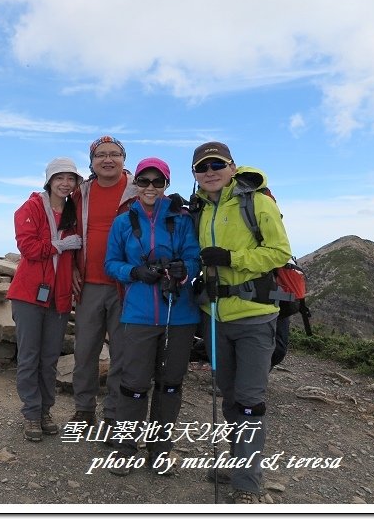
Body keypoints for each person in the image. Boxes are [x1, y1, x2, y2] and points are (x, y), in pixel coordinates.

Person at [190, 141, 292, 504]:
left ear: (232, 167)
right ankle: (238, 464)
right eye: (202, 167)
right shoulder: (199, 207)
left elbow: (279, 252)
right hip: (215, 317)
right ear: (196, 176)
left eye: (217, 164)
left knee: (250, 400)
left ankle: (247, 483)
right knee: (231, 397)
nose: (210, 171)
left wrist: (231, 258)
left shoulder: (256, 202)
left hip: (254, 315)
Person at [103, 157, 201, 475]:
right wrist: (134, 271)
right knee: (133, 384)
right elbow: (110, 263)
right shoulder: (123, 221)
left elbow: (193, 257)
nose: (149, 187)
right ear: (137, 184)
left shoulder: (181, 219)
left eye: (157, 182)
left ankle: (160, 449)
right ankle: (126, 448)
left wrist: (183, 270)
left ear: (166, 185)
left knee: (170, 384)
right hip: (139, 314)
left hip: (179, 313)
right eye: (144, 181)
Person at [7, 157, 84, 442]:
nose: (65, 183)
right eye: (59, 178)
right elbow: (27, 247)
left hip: (59, 295)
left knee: (50, 358)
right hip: (29, 294)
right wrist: (59, 245)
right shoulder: (31, 207)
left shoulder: (74, 211)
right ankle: (31, 413)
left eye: (71, 179)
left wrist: (73, 265)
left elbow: (77, 255)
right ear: (49, 180)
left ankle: (45, 412)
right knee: (29, 356)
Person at [67, 135, 138, 433]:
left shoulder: (139, 190)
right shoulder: (80, 193)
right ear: (92, 162)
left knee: (122, 352)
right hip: (90, 283)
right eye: (101, 155)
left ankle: (114, 413)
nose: (108, 159)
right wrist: (72, 266)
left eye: (114, 154)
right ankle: (84, 410)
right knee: (84, 351)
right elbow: (68, 230)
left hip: (127, 285)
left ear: (124, 159)